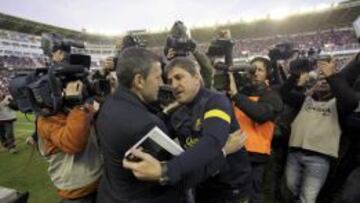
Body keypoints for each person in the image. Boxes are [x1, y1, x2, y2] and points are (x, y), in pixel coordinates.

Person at [122, 56, 252, 203]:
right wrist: (166, 112)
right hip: (202, 186)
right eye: (170, 81)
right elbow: (155, 135)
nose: (174, 85)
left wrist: (167, 170)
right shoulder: (178, 113)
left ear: (196, 78)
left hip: (231, 187)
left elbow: (213, 141)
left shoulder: (216, 101)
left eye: (179, 77)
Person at [280, 58, 358, 203]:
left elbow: (351, 101)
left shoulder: (338, 106)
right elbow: (284, 93)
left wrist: (332, 76)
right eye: (320, 78)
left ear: (334, 85)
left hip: (319, 159)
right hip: (294, 154)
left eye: (326, 80)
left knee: (308, 198)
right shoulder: (305, 100)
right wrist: (294, 75)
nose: (322, 81)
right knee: (289, 192)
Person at [36, 47, 103, 203]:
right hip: (77, 194)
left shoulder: (78, 108)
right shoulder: (47, 119)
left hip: (99, 183)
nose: (81, 86)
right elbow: (73, 143)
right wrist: (78, 105)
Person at [228, 57, 283, 203]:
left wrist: (235, 96)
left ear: (267, 74)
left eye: (260, 70)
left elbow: (261, 114)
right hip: (235, 152)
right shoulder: (241, 93)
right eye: (252, 70)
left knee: (252, 196)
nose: (255, 73)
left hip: (255, 156)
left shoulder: (272, 96)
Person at [0, 68, 17, 154]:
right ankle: (6, 145)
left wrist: (9, 103)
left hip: (8, 117)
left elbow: (15, 106)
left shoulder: (9, 97)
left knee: (9, 133)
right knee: (2, 134)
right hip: (0, 118)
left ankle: (12, 147)